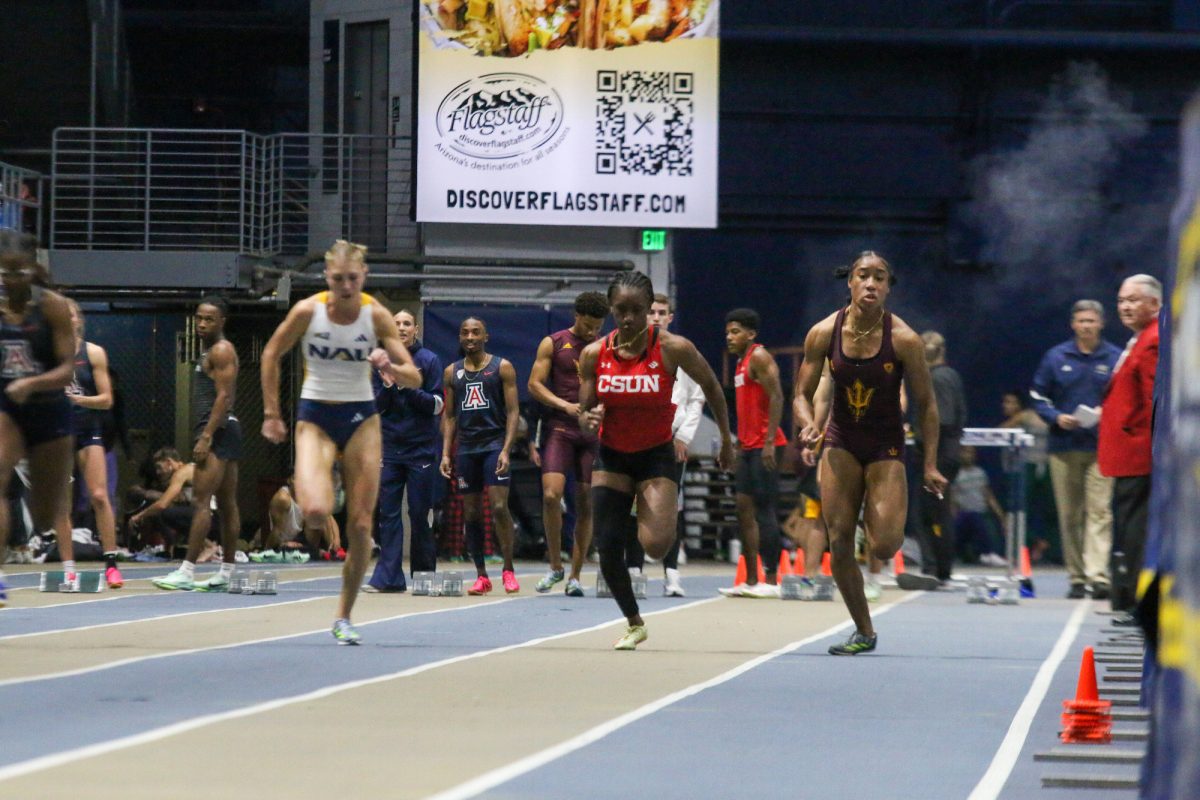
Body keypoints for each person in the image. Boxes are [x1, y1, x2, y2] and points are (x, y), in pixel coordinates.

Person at [260, 240, 420, 645]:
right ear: (326, 278)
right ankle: (315, 518)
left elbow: (414, 376)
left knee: (363, 524)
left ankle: (344, 615)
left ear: (363, 277)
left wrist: (390, 364)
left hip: (361, 416)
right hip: (315, 415)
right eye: (338, 279)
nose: (346, 286)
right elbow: (271, 354)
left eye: (353, 278)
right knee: (315, 510)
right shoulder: (307, 311)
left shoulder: (376, 314)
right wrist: (271, 413)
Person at [795, 251, 948, 655]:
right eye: (863, 275)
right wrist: (810, 422)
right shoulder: (823, 333)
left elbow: (927, 405)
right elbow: (800, 394)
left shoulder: (904, 340)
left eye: (880, 277)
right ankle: (864, 630)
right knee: (840, 539)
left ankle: (873, 511)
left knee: (884, 546)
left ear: (887, 287)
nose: (871, 283)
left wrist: (930, 463)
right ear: (850, 282)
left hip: (886, 445)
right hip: (841, 440)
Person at [578, 271, 734, 650]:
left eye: (637, 310)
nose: (628, 318)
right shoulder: (594, 354)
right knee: (607, 543)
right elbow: (584, 415)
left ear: (650, 310)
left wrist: (725, 441)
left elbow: (712, 386)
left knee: (655, 547)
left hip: (655, 456)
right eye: (621, 310)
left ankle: (640, 508)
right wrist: (589, 418)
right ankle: (634, 621)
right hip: (613, 455)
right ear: (612, 310)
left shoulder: (671, 347)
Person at [0, 231, 76, 602]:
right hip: (8, 407)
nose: (9, 281)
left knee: (45, 515)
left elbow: (66, 371)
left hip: (49, 410)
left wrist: (33, 383)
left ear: (33, 271)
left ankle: (44, 538)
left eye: (17, 273)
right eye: (3, 273)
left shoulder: (53, 307)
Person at [1030, 299, 1121, 599]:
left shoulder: (1115, 357)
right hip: (1063, 447)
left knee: (1101, 513)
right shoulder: (1056, 357)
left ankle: (1098, 576)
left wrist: (1108, 412)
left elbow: (1126, 399)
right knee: (1070, 515)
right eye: (1081, 321)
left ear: (1101, 323)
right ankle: (1077, 577)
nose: (1086, 326)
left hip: (1101, 449)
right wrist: (1057, 417)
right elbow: (1038, 397)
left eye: (1091, 321)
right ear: (1073, 324)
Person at [154, 297, 244, 591]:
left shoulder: (221, 350)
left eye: (209, 319)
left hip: (217, 431)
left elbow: (224, 397)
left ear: (222, 322)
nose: (202, 324)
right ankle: (226, 572)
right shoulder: (210, 351)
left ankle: (187, 571)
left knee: (202, 501)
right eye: (199, 318)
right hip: (225, 429)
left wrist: (206, 436)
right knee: (228, 504)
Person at [528, 291, 607, 597]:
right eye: (588, 326)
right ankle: (554, 567)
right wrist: (564, 405)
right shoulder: (554, 342)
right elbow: (534, 384)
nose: (592, 332)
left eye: (598, 327)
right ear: (577, 316)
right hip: (561, 427)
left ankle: (575, 575)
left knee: (586, 502)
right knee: (551, 496)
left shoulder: (606, 346)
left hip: (593, 434)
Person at [441, 316, 521, 596]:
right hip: (466, 449)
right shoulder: (452, 372)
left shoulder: (502, 367)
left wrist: (506, 449)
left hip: (493, 444)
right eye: (465, 333)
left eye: (476, 332)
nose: (470, 337)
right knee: (471, 512)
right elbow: (450, 416)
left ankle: (508, 568)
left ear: (486, 336)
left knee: (499, 507)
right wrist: (445, 453)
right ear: (460, 338)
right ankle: (481, 574)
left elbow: (513, 412)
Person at [1097, 275, 1160, 622]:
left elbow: (1157, 400)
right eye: (1121, 300)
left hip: (1140, 456)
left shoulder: (1153, 340)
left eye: (1134, 300)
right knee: (1128, 527)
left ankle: (1135, 602)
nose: (1125, 306)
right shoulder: (1139, 339)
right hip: (1130, 455)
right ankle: (1127, 599)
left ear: (1155, 304)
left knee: (1135, 530)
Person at [367, 309, 444, 592]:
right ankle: (388, 577)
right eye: (396, 323)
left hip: (421, 450)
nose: (401, 328)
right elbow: (376, 408)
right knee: (387, 514)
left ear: (416, 329)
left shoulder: (429, 360)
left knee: (420, 513)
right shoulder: (381, 362)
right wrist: (387, 388)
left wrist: (406, 387)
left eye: (406, 323)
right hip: (390, 449)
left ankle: (424, 576)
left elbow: (438, 405)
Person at [719, 307, 788, 598]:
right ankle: (749, 580)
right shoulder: (739, 363)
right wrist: (738, 442)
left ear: (751, 334)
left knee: (764, 511)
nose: (729, 337)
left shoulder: (759, 356)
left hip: (766, 447)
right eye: (727, 332)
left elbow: (777, 396)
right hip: (748, 447)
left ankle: (771, 581)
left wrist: (770, 440)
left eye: (735, 332)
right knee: (743, 511)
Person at [57, 299, 123, 588]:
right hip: (59, 433)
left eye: (69, 315)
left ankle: (110, 563)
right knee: (62, 503)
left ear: (78, 320)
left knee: (98, 495)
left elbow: (107, 399)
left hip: (87, 429)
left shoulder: (93, 352)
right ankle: (68, 568)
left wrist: (76, 399)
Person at [648, 292, 705, 596]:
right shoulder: (632, 349)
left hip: (672, 441)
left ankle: (672, 576)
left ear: (670, 317)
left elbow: (696, 398)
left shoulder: (683, 351)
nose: (656, 317)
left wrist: (683, 436)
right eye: (651, 312)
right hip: (639, 440)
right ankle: (633, 572)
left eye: (662, 312)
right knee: (634, 506)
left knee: (670, 509)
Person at [909, 330, 967, 584]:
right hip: (947, 453)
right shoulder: (950, 376)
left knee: (925, 513)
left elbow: (941, 421)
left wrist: (928, 459)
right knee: (939, 511)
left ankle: (934, 567)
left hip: (937, 455)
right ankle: (941, 568)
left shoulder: (937, 379)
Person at [998, 390, 1055, 563]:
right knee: (1021, 507)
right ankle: (1029, 544)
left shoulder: (1055, 415)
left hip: (1047, 464)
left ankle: (1047, 545)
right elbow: (1000, 431)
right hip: (1026, 465)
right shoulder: (1026, 415)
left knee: (1052, 509)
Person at [951, 445, 1007, 566]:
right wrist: (951, 517)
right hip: (963, 514)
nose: (967, 455)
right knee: (968, 518)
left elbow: (988, 495)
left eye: (970, 452)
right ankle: (957, 554)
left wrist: (1001, 516)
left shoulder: (980, 473)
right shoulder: (956, 474)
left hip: (980, 513)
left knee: (981, 520)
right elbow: (952, 498)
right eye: (965, 452)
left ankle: (988, 554)